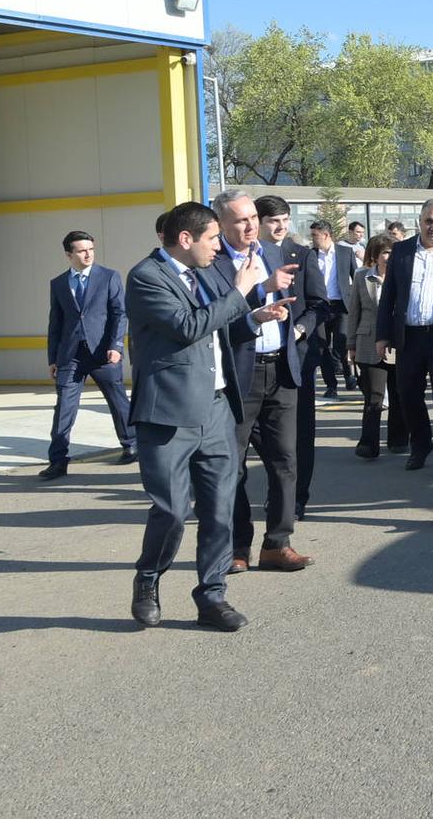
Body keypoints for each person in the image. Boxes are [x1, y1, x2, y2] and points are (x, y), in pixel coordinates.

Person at [125, 201, 286, 632]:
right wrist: (241, 291)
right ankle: (148, 579)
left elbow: (220, 326)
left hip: (216, 409)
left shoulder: (204, 274)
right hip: (169, 415)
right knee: (173, 510)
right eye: (213, 238)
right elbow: (186, 326)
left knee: (219, 507)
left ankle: (212, 596)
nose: (218, 246)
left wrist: (254, 316)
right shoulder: (145, 277)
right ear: (186, 239)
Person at [210, 191, 314, 573]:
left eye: (253, 217)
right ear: (220, 224)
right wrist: (261, 289)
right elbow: (216, 321)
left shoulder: (271, 252)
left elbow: (298, 304)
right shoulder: (213, 263)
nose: (251, 225)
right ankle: (238, 546)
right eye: (240, 220)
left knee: (285, 460)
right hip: (240, 375)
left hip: (280, 370)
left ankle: (278, 543)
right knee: (233, 466)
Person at [375, 199, 433, 477]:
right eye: (429, 221)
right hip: (409, 337)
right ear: (419, 221)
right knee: (408, 395)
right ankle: (419, 446)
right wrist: (382, 335)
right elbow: (388, 296)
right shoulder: (402, 251)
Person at [42, 230, 135, 479]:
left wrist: (116, 346)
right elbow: (56, 324)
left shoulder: (109, 277)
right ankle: (58, 461)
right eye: (82, 250)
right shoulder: (59, 283)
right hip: (71, 355)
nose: (88, 254)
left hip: (103, 353)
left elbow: (119, 313)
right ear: (69, 255)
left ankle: (131, 445)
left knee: (117, 401)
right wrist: (53, 358)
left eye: (91, 249)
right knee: (64, 407)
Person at [255, 195, 323, 519]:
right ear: (258, 222)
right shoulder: (247, 258)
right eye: (273, 221)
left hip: (295, 357)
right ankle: (278, 491)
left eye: (285, 219)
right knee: (264, 437)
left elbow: (319, 304)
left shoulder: (303, 254)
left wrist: (300, 329)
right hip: (254, 358)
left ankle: (296, 497)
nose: (281, 226)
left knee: (298, 433)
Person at [344, 234, 395, 460]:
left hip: (396, 344)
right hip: (367, 342)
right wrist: (351, 344)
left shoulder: (401, 277)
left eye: (392, 253)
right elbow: (354, 311)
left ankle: (398, 438)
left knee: (399, 394)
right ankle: (368, 443)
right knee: (374, 395)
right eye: (384, 252)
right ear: (374, 256)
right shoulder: (361, 276)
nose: (388, 257)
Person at [305, 220, 359, 396]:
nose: (312, 238)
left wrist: (358, 303)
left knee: (342, 342)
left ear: (326, 235)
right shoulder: (310, 255)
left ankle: (349, 375)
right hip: (320, 307)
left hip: (341, 306)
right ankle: (331, 385)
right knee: (322, 346)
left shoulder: (345, 252)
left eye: (315, 235)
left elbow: (355, 277)